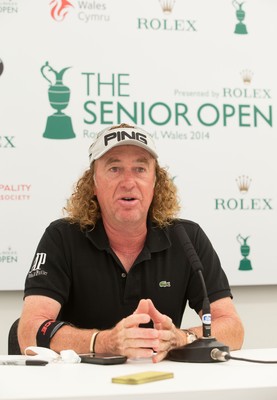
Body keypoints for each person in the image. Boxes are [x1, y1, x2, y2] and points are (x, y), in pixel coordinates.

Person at [18, 123, 244, 362]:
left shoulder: (187, 237)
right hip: (79, 386)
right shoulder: (62, 237)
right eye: (114, 168)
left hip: (163, 382)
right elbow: (29, 331)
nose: (128, 182)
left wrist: (181, 337)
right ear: (93, 183)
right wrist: (103, 342)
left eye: (140, 169)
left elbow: (233, 328)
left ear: (155, 183)